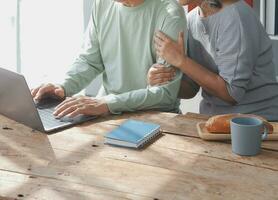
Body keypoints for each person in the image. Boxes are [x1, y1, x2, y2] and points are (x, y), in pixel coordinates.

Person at [31, 0, 186, 118]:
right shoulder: (102, 4)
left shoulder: (169, 14)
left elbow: (164, 94)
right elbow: (89, 61)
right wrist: (63, 87)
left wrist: (108, 103)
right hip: (105, 111)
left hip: (154, 117)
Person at [148, 0, 278, 121]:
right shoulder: (191, 19)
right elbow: (191, 89)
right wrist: (163, 80)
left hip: (258, 123)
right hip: (212, 122)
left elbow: (232, 94)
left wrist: (182, 61)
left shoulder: (235, 17)